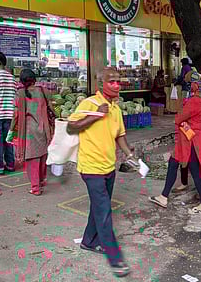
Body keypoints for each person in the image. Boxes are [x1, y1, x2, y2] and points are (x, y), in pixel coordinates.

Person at [66, 67, 134, 278]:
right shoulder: (89, 103)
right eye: (111, 81)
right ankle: (115, 259)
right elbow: (70, 127)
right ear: (101, 84)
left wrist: (129, 154)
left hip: (108, 167)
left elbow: (119, 135)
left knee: (99, 207)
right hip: (91, 168)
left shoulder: (115, 109)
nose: (116, 85)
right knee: (104, 211)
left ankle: (88, 242)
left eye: (118, 81)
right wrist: (95, 116)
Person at [149, 82, 201, 213]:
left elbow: (179, 118)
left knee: (194, 169)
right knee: (175, 163)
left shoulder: (193, 102)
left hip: (191, 141)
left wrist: (179, 114)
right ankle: (164, 196)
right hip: (195, 140)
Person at [6, 69, 53, 196]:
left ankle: (35, 188)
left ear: (21, 81)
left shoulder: (19, 94)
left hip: (28, 132)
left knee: (32, 160)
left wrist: (11, 130)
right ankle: (42, 181)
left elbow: (15, 115)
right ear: (34, 79)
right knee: (42, 156)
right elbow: (52, 110)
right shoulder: (44, 91)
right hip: (43, 129)